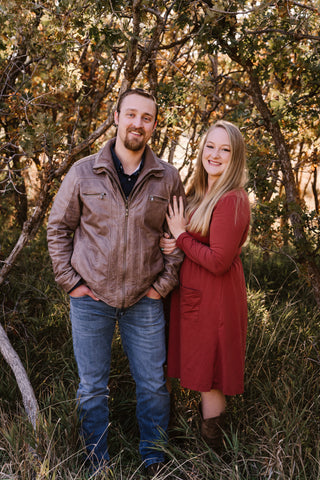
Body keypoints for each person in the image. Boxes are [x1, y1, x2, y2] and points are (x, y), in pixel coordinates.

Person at [47, 88, 185, 475]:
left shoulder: (167, 178)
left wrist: (163, 285)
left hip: (145, 298)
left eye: (147, 117)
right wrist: (70, 282)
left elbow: (178, 240)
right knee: (91, 387)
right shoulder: (83, 172)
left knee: (154, 386)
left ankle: (154, 459)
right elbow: (58, 229)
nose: (138, 123)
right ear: (116, 117)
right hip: (90, 298)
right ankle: (96, 461)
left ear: (154, 125)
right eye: (131, 115)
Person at [160, 120, 251, 451]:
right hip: (192, 297)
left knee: (210, 377)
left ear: (235, 157)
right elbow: (184, 237)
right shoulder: (199, 192)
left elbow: (218, 260)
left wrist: (181, 238)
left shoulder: (232, 199)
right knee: (186, 366)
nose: (215, 154)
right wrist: (173, 243)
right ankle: (173, 443)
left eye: (225, 149)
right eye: (210, 146)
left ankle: (213, 455)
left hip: (217, 300)